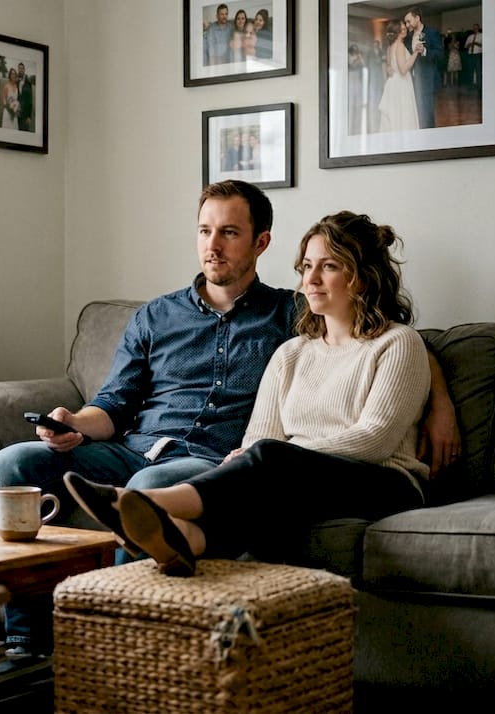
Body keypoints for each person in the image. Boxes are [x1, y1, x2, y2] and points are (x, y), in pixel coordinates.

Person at [0, 180, 460, 657]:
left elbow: (392, 337)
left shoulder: (289, 313)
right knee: (14, 464)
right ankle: (26, 640)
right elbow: (114, 403)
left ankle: (119, 632)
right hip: (137, 447)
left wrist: (440, 402)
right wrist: (74, 422)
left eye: (229, 232)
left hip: (209, 460)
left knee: (201, 475)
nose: (213, 246)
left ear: (261, 242)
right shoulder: (175, 320)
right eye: (205, 231)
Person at [63, 210, 432, 578]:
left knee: (270, 460)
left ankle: (145, 503)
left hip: (386, 483)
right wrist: (246, 459)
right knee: (260, 492)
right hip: (299, 478)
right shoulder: (292, 353)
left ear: (362, 277)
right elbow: (260, 436)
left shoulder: (397, 343)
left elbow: (374, 440)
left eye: (329, 266)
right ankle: (184, 540)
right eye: (306, 267)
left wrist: (273, 455)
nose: (312, 280)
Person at [404, 7, 443, 129]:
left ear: (417, 18)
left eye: (409, 21)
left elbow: (440, 54)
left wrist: (425, 51)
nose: (406, 25)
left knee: (427, 113)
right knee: (415, 112)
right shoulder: (408, 37)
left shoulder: (432, 32)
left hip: (427, 79)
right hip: (411, 80)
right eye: (405, 22)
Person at [378, 19, 420, 133]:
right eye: (402, 28)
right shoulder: (400, 46)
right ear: (397, 31)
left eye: (404, 27)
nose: (405, 29)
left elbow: (390, 67)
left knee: (395, 116)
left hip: (392, 84)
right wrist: (416, 53)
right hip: (401, 84)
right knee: (403, 115)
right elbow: (403, 69)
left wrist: (389, 69)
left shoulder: (390, 47)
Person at [16, 62, 35, 132]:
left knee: (25, 131)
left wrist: (29, 116)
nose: (20, 70)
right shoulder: (16, 81)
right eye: (19, 68)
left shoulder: (28, 82)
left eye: (22, 68)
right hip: (18, 112)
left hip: (25, 112)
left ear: (24, 70)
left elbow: (30, 100)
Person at [464, 23, 483, 88]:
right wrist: (469, 45)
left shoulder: (482, 35)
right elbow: (465, 46)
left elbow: (484, 45)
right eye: (474, 28)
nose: (475, 29)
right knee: (470, 70)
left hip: (477, 54)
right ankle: (470, 85)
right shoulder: (470, 36)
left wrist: (477, 43)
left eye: (476, 27)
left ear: (478, 28)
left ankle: (479, 85)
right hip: (470, 54)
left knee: (478, 70)